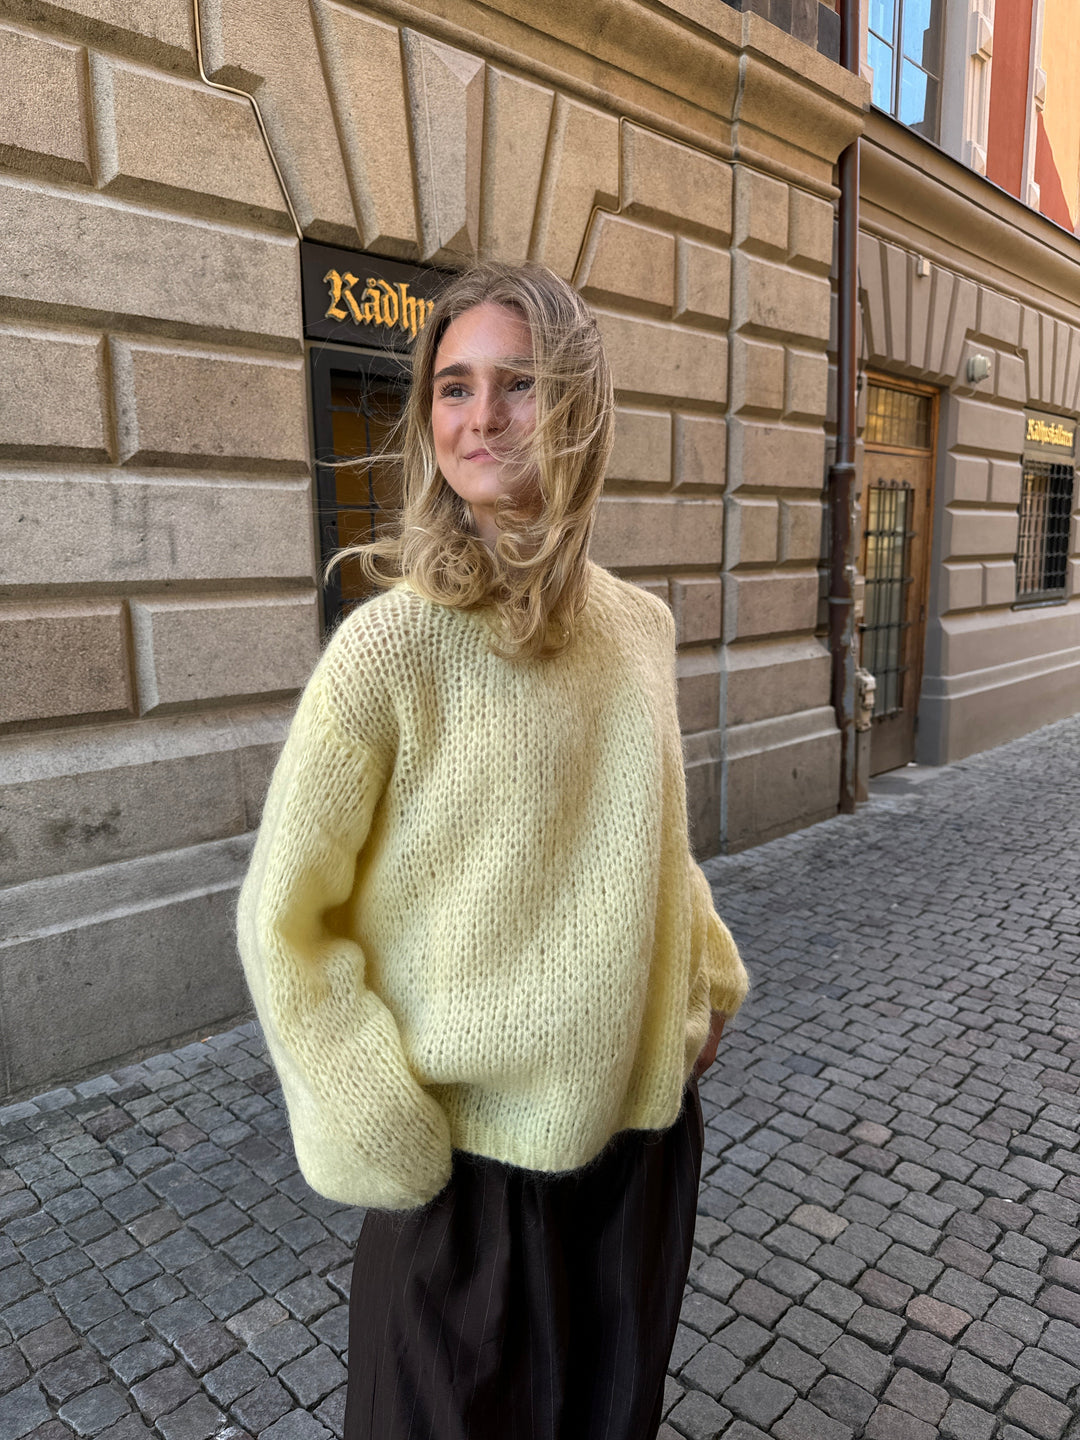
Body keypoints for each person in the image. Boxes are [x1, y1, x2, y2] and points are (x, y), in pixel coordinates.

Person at [235, 261, 749, 1440]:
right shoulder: (390, 651)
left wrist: (706, 985)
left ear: (575, 403)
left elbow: (655, 838)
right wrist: (385, 1128)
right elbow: (286, 920)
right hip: (464, 1195)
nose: (480, 418)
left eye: (516, 384)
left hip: (637, 1167)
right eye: (453, 388)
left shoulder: (638, 629)